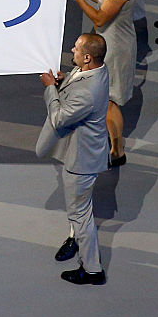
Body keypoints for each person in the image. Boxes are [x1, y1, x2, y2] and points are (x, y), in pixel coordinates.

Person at [35, 33, 111, 285]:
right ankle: (76, 240)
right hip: (83, 152)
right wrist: (62, 82)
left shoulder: (88, 92)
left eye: (76, 49)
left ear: (87, 57)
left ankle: (92, 269)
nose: (72, 50)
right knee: (80, 209)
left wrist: (50, 88)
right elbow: (76, 83)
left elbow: (59, 119)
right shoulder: (96, 69)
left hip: (82, 160)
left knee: (81, 215)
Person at [64, 0, 142, 167]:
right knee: (105, 98)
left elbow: (100, 18)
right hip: (110, 41)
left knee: (109, 101)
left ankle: (117, 151)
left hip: (116, 48)